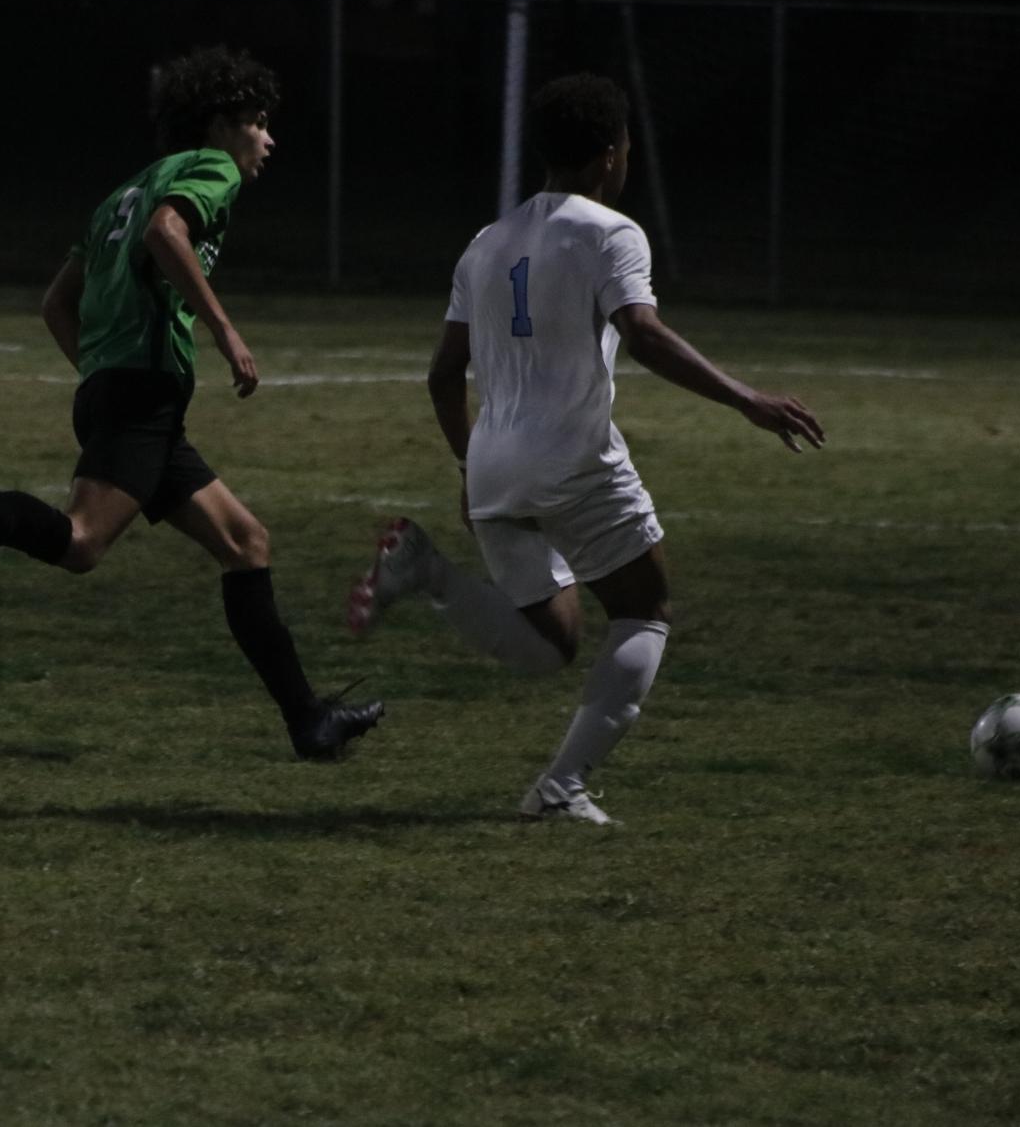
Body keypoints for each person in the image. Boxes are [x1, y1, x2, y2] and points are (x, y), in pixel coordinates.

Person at [0, 45, 384, 761]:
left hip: (125, 394)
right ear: (222, 124)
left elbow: (55, 303)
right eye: (257, 123)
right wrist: (222, 331)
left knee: (245, 543)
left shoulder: (120, 193)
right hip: (140, 395)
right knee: (79, 543)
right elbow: (168, 233)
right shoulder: (211, 169)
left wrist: (103, 374)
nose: (266, 139)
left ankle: (308, 723)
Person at [346, 71, 823, 824]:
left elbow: (443, 374)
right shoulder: (609, 232)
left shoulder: (484, 243)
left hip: (496, 462)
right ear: (609, 155)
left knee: (549, 646)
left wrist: (471, 467)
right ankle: (559, 789)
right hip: (573, 456)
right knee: (644, 611)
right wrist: (746, 400)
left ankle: (428, 571)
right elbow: (642, 333)